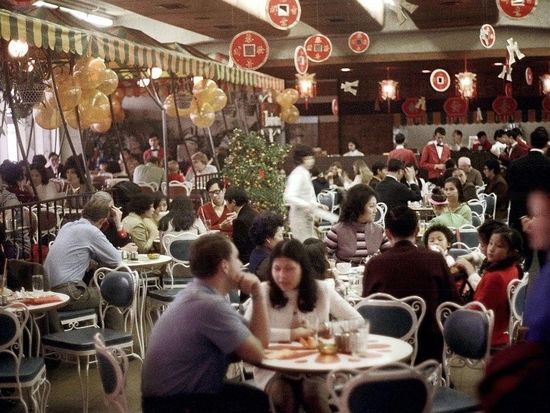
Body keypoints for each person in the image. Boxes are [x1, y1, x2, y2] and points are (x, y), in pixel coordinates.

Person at [142, 233, 270, 413]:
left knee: (256, 399)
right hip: (175, 404)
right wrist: (258, 293)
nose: (241, 264)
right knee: (258, 403)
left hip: (168, 398)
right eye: (236, 258)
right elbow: (257, 355)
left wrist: (256, 294)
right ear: (225, 266)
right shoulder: (209, 305)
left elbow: (258, 341)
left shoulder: (198, 294)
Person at [245, 239, 362, 413]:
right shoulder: (264, 291)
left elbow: (357, 321)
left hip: (317, 364)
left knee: (313, 395)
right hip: (275, 368)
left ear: (302, 268)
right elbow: (249, 333)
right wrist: (292, 334)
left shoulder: (321, 289)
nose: (281, 276)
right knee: (284, 399)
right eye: (277, 268)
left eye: (289, 269)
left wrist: (324, 327)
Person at [362, 206, 461, 362]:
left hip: (387, 346)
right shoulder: (434, 259)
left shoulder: (374, 264)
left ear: (387, 233)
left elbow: (366, 308)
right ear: (417, 230)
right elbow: (452, 302)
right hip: (428, 347)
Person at [44, 192, 136, 324]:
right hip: (68, 293)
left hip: (48, 291)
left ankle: (97, 333)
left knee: (96, 293)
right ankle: (118, 337)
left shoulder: (67, 226)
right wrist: (123, 249)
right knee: (111, 297)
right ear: (103, 220)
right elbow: (116, 260)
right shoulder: (91, 231)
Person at [463, 227, 523, 347]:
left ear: (512, 252)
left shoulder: (495, 276)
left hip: (487, 332)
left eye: (499, 246)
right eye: (490, 243)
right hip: (503, 327)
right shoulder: (514, 268)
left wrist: (461, 311)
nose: (491, 249)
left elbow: (479, 309)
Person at [507, 126, 550, 271]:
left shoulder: (515, 165)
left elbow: (512, 193)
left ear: (530, 142)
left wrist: (524, 217)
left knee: (523, 261)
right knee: (544, 261)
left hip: (520, 220)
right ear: (547, 144)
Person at [324, 184, 388, 264]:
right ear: (358, 207)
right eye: (371, 206)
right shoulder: (337, 231)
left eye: (376, 206)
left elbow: (391, 254)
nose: (375, 210)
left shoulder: (379, 230)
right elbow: (324, 256)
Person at [284, 144, 327, 242]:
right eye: (308, 158)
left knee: (310, 244)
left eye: (312, 158)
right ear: (300, 159)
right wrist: (308, 205)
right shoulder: (297, 174)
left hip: (307, 216)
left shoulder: (305, 172)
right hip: (299, 218)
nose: (311, 161)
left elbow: (308, 196)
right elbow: (289, 196)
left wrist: (317, 205)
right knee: (305, 245)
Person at [225, 187, 258, 263]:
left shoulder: (239, 221)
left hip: (247, 261)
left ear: (233, 202)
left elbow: (239, 248)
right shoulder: (253, 212)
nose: (226, 204)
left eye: (226, 201)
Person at [248, 213, 285, 281]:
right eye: (280, 235)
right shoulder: (269, 265)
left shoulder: (256, 251)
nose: (283, 239)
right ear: (268, 239)